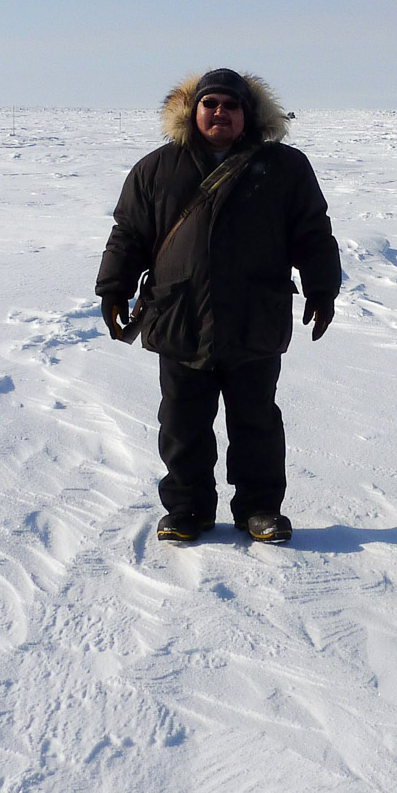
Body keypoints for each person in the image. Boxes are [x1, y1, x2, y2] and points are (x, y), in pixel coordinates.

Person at [95, 69, 341, 545]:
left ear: (248, 114)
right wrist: (113, 288)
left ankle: (260, 509)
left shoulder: (284, 167)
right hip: (180, 315)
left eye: (231, 105)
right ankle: (186, 509)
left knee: (256, 420)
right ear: (194, 111)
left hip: (254, 316)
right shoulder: (157, 168)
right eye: (211, 104)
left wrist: (322, 288)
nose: (220, 112)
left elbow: (313, 232)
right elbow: (129, 233)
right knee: (182, 422)